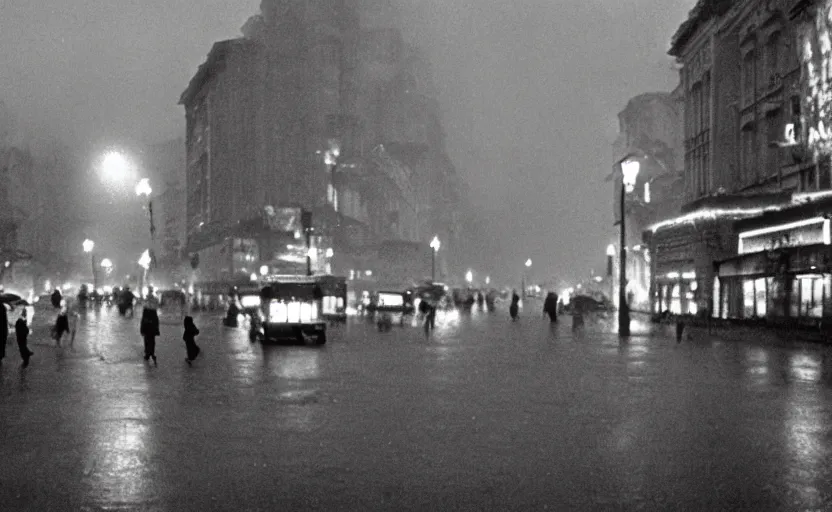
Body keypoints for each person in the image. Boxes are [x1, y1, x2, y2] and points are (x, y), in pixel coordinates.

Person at [140, 288, 160, 365]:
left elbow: (143, 318)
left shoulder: (146, 303)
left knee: (147, 339)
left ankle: (148, 354)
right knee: (151, 339)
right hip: (152, 324)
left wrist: (142, 328)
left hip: (147, 324)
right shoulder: (155, 301)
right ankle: (151, 353)